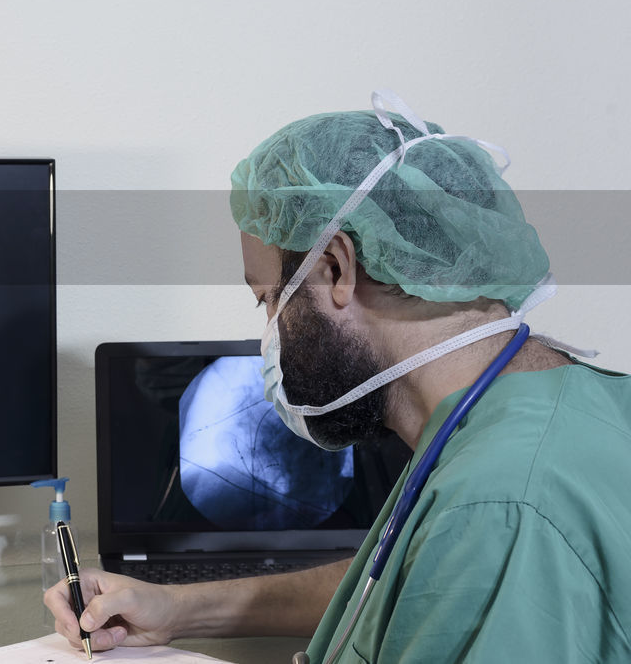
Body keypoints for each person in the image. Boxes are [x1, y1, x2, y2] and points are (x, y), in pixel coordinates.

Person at [46, 92, 631, 662]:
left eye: (268, 299)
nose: (270, 332)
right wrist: (180, 608)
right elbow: (402, 577)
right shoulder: (554, 406)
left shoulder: (494, 508)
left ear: (335, 269)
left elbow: (468, 561)